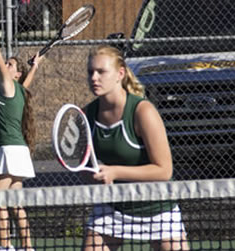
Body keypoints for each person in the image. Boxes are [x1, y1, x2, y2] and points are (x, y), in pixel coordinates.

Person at [81, 45, 190, 251]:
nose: (94, 77)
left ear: (120, 74)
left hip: (157, 208)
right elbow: (86, 169)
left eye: (101, 72)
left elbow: (164, 170)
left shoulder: (143, 111)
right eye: (90, 72)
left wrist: (115, 172)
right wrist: (93, 176)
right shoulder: (87, 115)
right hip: (113, 208)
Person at [0, 8, 44, 251]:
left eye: (10, 64)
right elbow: (28, 82)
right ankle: (27, 248)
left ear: (14, 74)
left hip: (10, 151)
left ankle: (5, 247)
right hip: (19, 152)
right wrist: (34, 67)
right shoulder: (21, 92)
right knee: (16, 204)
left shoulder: (9, 86)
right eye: (8, 62)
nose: (6, 64)